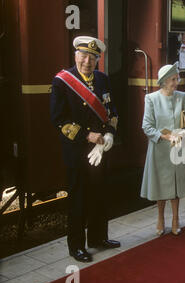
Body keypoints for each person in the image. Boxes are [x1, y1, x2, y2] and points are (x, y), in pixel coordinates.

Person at [50, 36, 121, 263]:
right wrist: (87, 135)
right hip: (77, 151)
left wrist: (110, 133)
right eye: (83, 56)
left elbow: (112, 111)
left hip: (101, 148)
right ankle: (77, 246)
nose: (87, 61)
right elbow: (58, 120)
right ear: (75, 55)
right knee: (78, 198)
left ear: (98, 59)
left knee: (100, 194)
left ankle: (99, 238)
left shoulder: (102, 79)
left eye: (93, 57)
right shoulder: (62, 82)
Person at [140, 62, 185, 236]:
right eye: (173, 79)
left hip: (178, 147)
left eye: (177, 78)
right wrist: (165, 136)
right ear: (164, 81)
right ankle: (160, 218)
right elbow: (147, 126)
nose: (176, 82)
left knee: (175, 185)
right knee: (160, 185)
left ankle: (175, 218)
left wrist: (183, 134)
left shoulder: (183, 97)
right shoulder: (151, 99)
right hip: (159, 148)